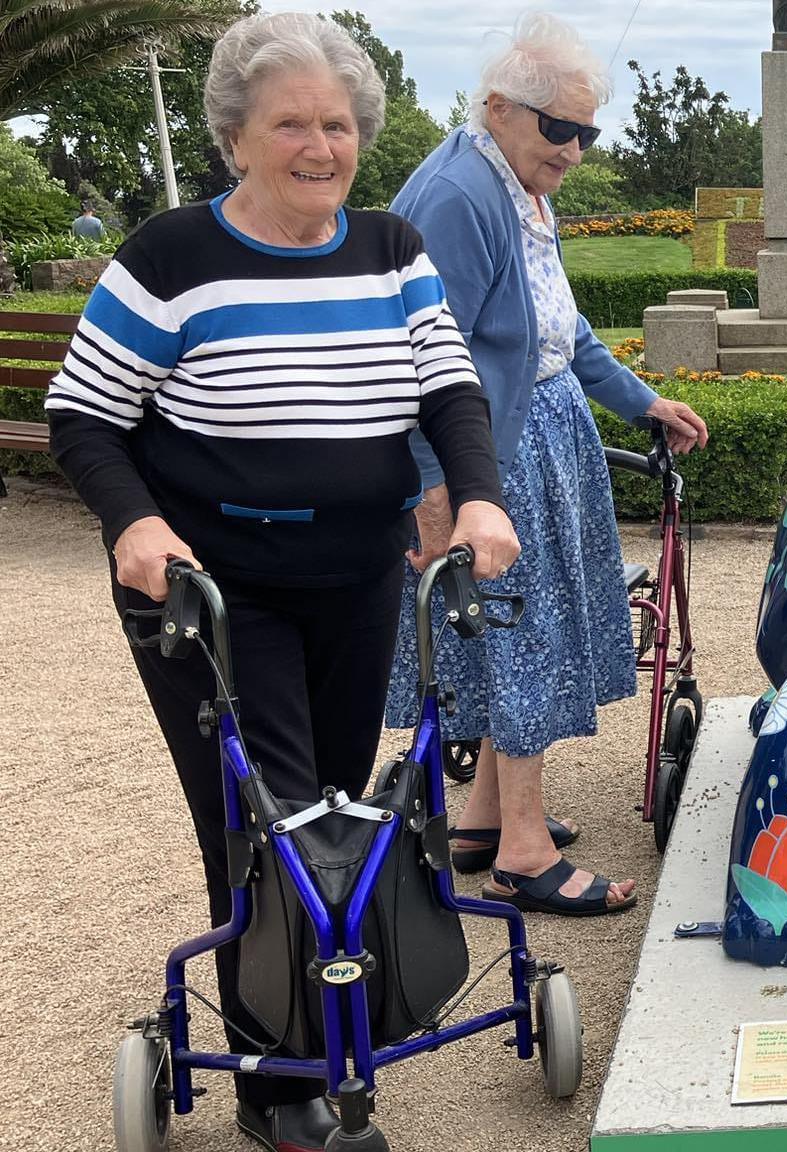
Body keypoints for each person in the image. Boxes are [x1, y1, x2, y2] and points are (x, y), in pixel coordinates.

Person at [43, 13, 518, 1151]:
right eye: (292, 124)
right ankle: (281, 1083)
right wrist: (136, 523)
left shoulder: (392, 246)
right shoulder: (169, 257)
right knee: (268, 825)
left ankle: (332, 1010)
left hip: (354, 575)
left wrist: (480, 493)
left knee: (338, 810)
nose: (322, 145)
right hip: (214, 590)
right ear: (236, 140)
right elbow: (82, 414)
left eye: (340, 124)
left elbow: (450, 391)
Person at [388, 12, 707, 918]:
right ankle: (523, 857)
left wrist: (639, 400)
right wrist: (434, 491)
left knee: (522, 628)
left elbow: (559, 327)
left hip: (539, 432)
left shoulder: (520, 183)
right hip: (492, 449)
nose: (573, 150)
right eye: (557, 128)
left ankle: (485, 818)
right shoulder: (458, 195)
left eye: (585, 132)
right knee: (518, 633)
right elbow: (414, 358)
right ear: (498, 108)